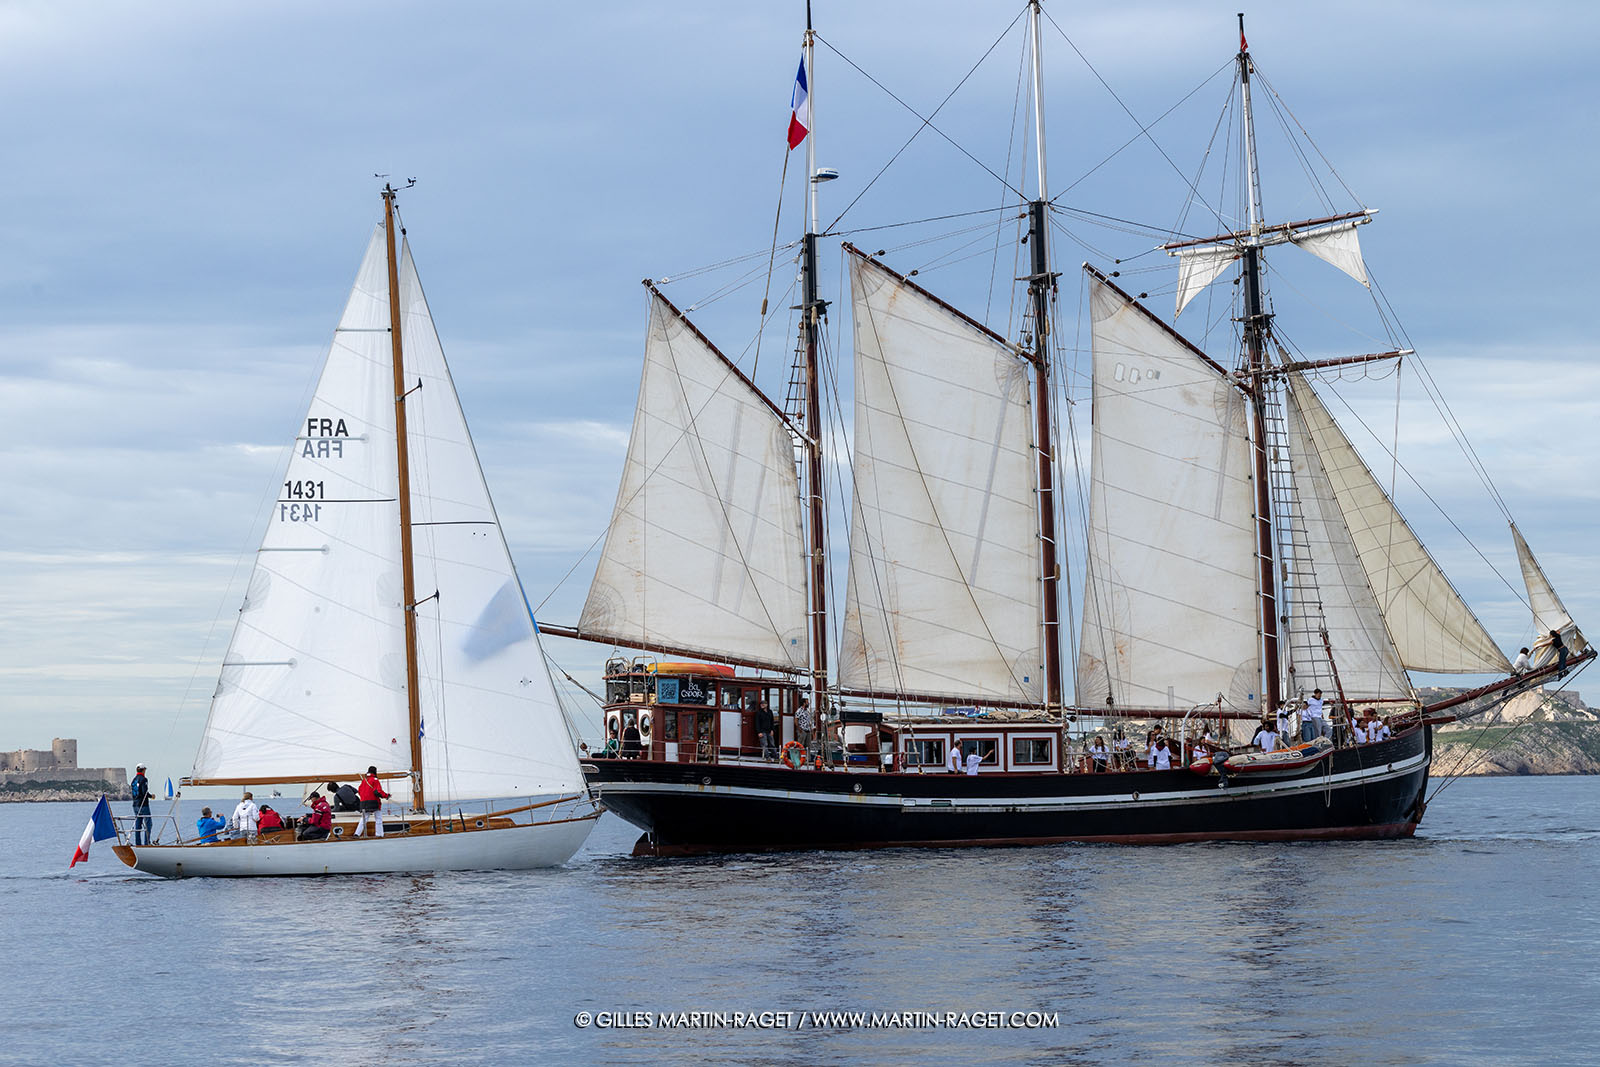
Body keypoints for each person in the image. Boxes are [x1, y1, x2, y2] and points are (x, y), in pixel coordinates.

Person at [354, 766, 390, 838]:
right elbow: (378, 791)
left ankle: (357, 834)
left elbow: (360, 790)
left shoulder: (364, 780)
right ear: (375, 772)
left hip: (363, 803)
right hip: (373, 802)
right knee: (378, 818)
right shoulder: (375, 780)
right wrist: (386, 796)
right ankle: (379, 834)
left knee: (364, 818)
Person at [130, 763, 152, 846]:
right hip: (143, 805)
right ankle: (146, 844)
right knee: (148, 824)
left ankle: (138, 844)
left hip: (135, 805)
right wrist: (151, 796)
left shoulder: (134, 780)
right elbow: (144, 792)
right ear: (143, 770)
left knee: (138, 826)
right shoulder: (144, 779)